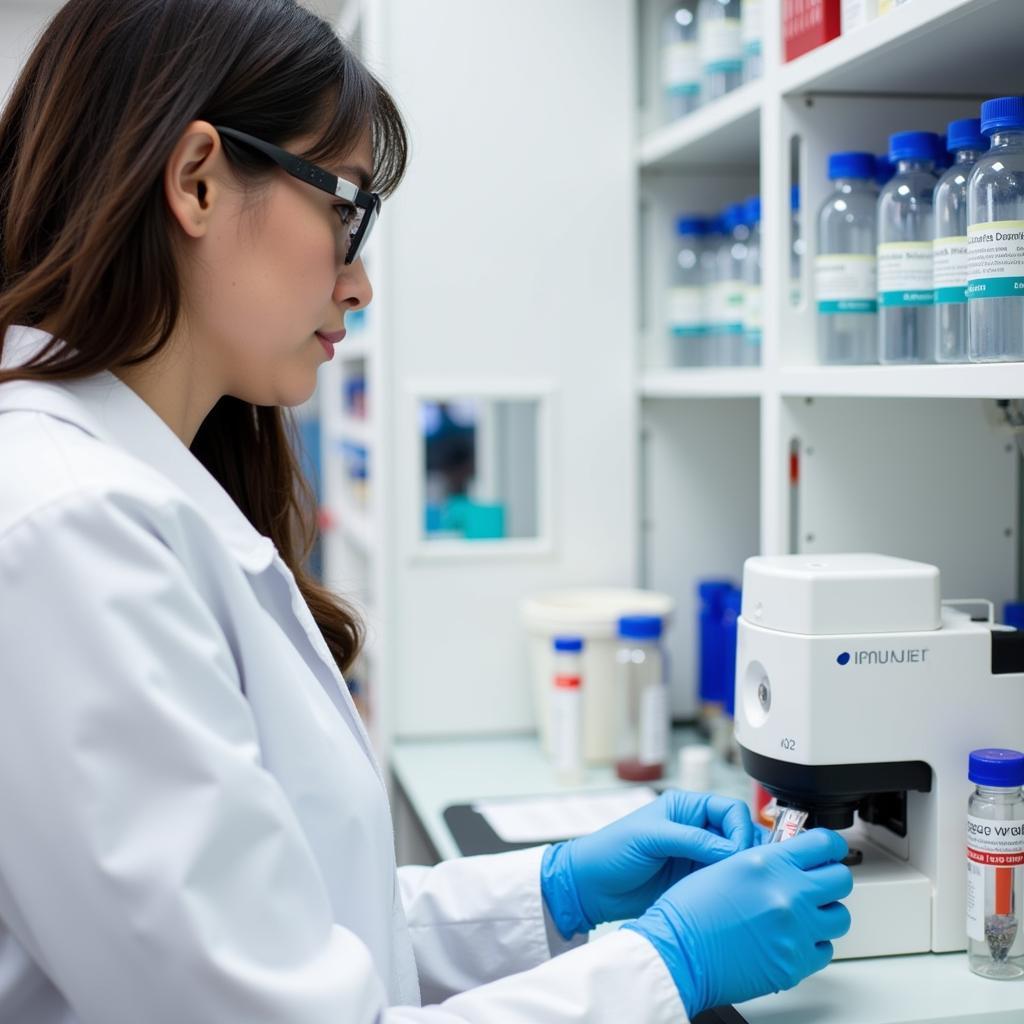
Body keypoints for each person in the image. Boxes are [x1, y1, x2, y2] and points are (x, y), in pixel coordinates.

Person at [0, 2, 853, 1021]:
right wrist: (662, 967)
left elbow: (288, 926)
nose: (357, 284)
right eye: (347, 211)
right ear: (196, 181)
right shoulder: (63, 531)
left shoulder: (123, 497)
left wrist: (554, 891)